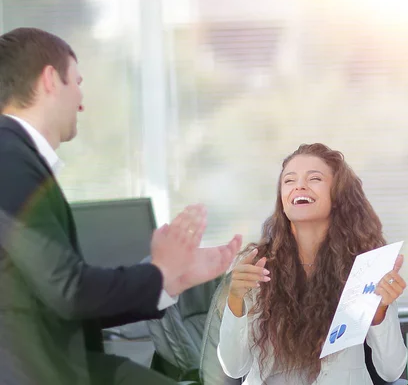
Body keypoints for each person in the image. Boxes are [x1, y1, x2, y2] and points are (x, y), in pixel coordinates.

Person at [0, 27, 241, 385]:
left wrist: (173, 280)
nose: (81, 100)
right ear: (50, 79)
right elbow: (68, 292)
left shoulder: (15, 156)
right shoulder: (9, 157)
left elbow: (54, 301)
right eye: (76, 82)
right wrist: (161, 273)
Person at [218, 143, 408, 384]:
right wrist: (235, 297)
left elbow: (391, 370)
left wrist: (380, 310)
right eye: (289, 181)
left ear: (338, 195)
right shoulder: (257, 265)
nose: (299, 186)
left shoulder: (364, 264)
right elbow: (234, 368)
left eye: (314, 178)